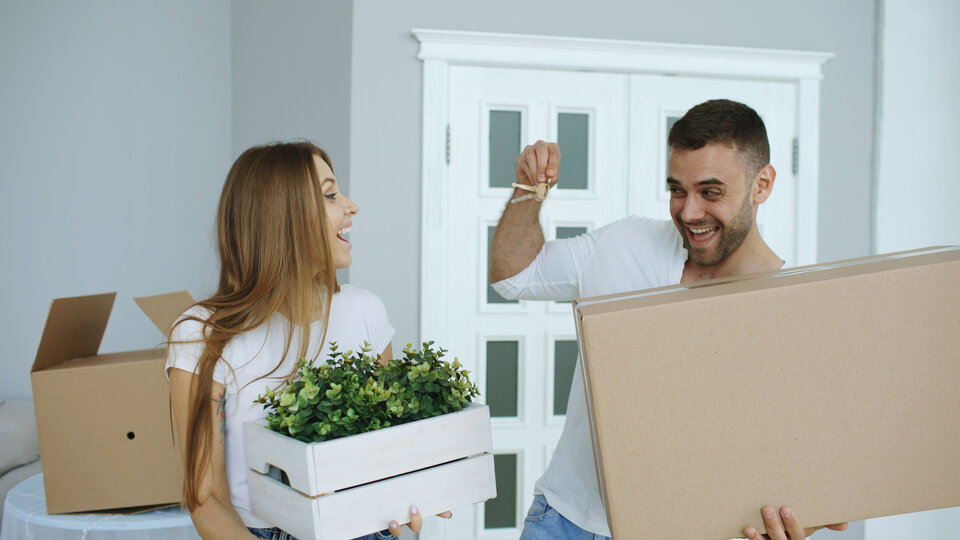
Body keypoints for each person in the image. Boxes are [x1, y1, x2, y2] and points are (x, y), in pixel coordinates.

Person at [489, 99, 849, 540]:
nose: (689, 212)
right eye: (678, 189)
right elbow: (513, 275)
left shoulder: (793, 314)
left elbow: (806, 458)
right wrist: (529, 189)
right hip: (566, 522)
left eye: (711, 192)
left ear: (762, 184)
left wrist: (799, 517)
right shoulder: (626, 245)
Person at [166, 142, 439, 540]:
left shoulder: (367, 313)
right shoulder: (201, 336)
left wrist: (404, 499)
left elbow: (382, 452)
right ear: (283, 218)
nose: (351, 206)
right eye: (330, 195)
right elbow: (206, 497)